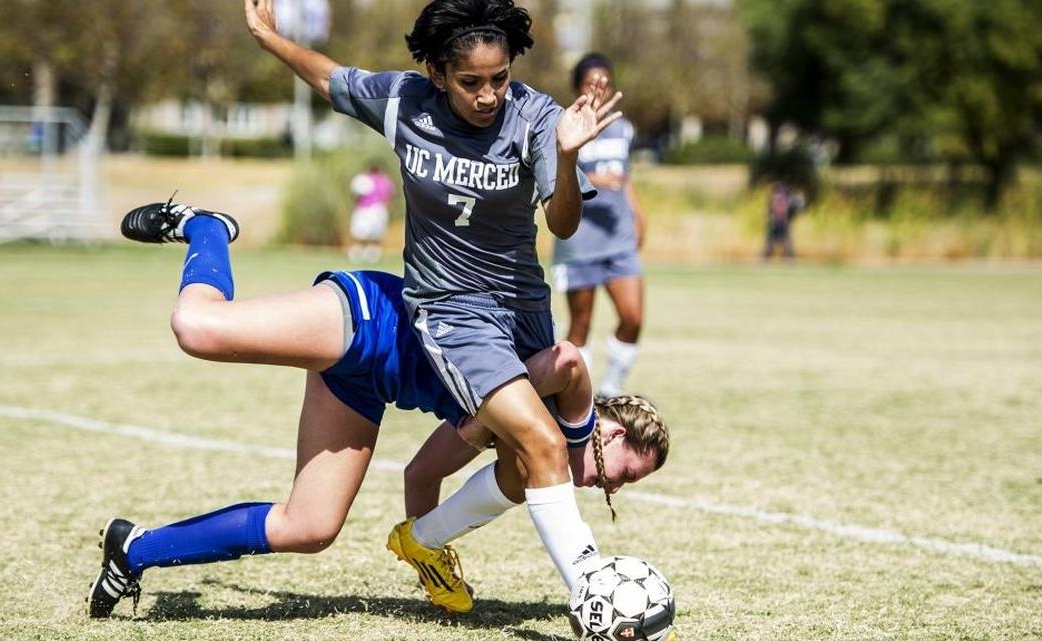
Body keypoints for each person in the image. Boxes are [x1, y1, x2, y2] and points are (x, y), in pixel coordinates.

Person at [90, 201, 664, 618]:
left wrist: (426, 554)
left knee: (311, 527)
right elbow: (566, 358)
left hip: (366, 384)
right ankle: (206, 229)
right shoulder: (566, 420)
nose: (611, 488)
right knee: (198, 328)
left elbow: (422, 473)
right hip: (376, 319)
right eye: (623, 476)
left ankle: (135, 549)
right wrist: (500, 420)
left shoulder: (521, 455)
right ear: (611, 435)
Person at [245, 0, 623, 607]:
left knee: (520, 468)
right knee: (544, 444)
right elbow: (328, 76)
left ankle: (421, 539)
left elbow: (565, 225)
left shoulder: (536, 117)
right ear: (438, 76)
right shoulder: (403, 101)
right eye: (471, 82)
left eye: (498, 78)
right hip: (450, 310)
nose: (488, 94)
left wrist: (569, 152)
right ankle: (593, 594)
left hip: (522, 311)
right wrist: (269, 38)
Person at [550, 53, 647, 399]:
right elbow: (553, 175)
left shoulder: (622, 127)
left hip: (618, 238)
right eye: (591, 82)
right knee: (581, 323)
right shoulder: (562, 125)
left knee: (633, 317)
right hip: (579, 241)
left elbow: (625, 177)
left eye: (604, 81)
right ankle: (579, 395)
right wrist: (592, 177)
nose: (598, 88)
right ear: (577, 87)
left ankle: (611, 387)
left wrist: (638, 212)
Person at [347, 163, 395, 264]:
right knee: (376, 236)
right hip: (379, 209)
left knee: (359, 234)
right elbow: (390, 196)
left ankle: (356, 255)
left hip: (364, 209)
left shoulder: (363, 179)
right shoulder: (385, 180)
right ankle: (373, 256)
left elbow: (356, 195)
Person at [762, 182, 804, 261]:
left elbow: (778, 210)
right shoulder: (786, 197)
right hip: (781, 222)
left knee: (774, 241)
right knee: (783, 241)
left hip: (778, 221)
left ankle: (768, 256)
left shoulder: (779, 197)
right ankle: (788, 257)